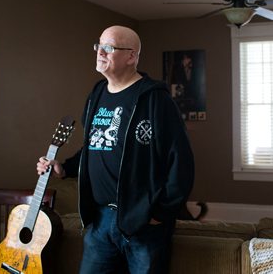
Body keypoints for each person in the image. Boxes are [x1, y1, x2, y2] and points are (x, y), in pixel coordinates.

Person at [36, 25, 195, 273]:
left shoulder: (155, 99)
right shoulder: (97, 93)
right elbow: (95, 147)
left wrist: (160, 214)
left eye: (108, 47)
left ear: (131, 56)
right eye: (98, 46)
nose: (100, 52)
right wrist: (64, 167)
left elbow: (181, 161)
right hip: (100, 222)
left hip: (143, 222)